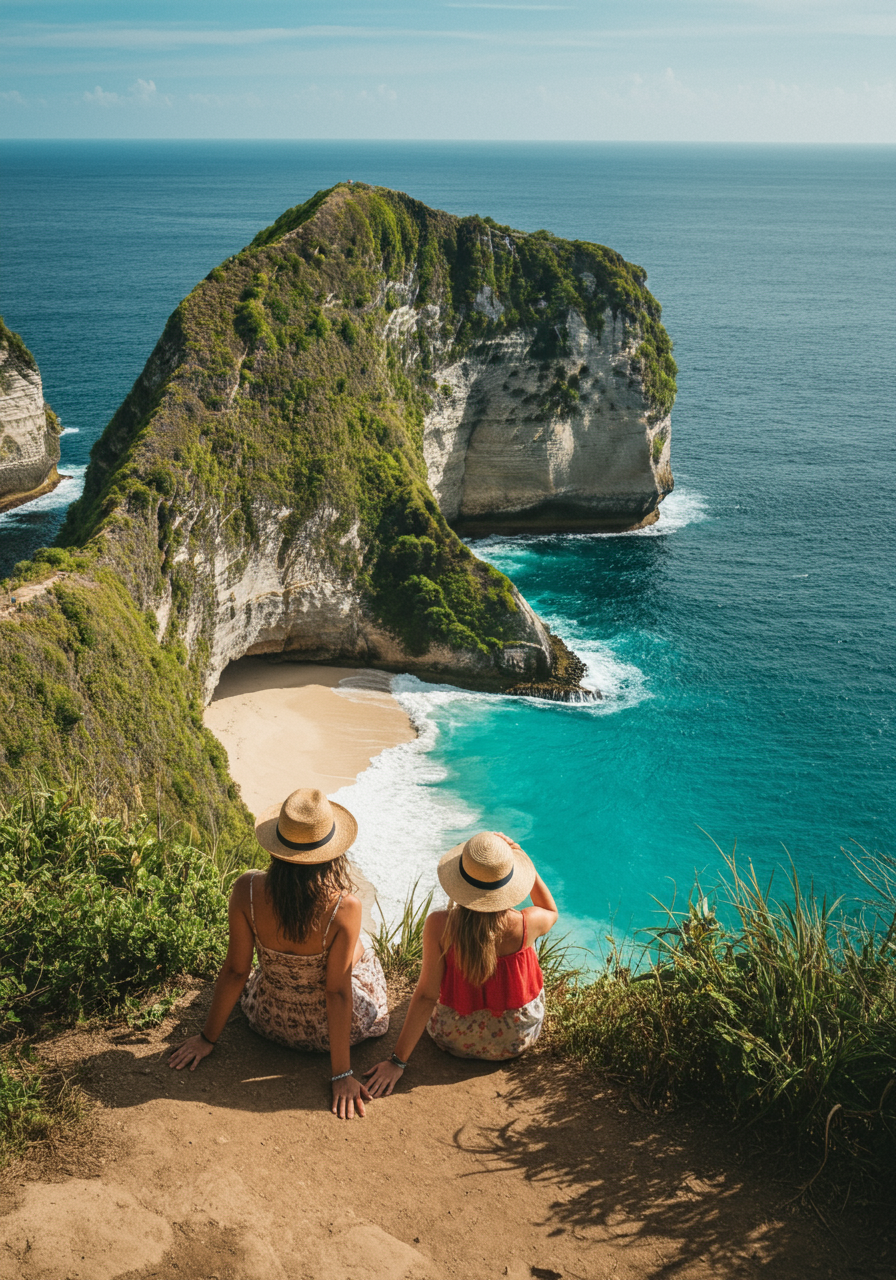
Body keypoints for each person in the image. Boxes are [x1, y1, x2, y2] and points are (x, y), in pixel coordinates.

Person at [168, 787, 388, 1118]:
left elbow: (236, 971)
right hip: (327, 1035)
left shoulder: (247, 889)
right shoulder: (344, 907)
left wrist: (206, 1038)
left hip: (267, 1020)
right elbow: (337, 992)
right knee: (361, 949)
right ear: (331, 853)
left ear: (276, 846)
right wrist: (342, 1074)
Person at [364, 830, 557, 1096]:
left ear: (460, 881)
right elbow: (551, 910)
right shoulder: (526, 923)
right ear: (509, 882)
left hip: (453, 1038)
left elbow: (427, 995)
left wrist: (397, 1061)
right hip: (516, 1039)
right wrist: (523, 860)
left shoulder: (439, 925)